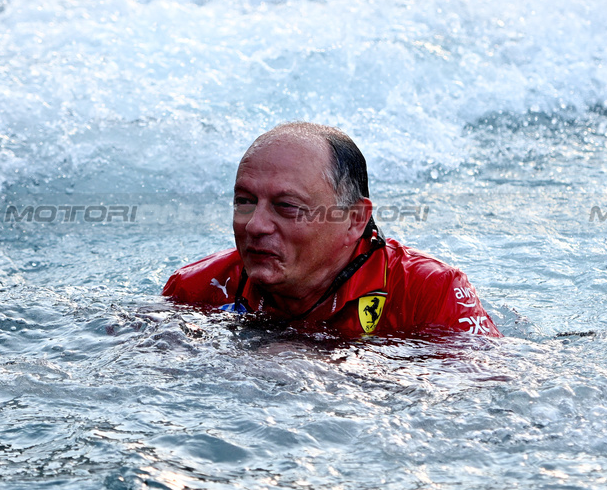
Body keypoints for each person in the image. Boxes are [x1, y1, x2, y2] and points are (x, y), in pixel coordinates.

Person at [162, 122, 501, 338]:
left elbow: (491, 398)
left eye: (287, 206)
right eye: (245, 201)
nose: (255, 225)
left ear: (354, 219)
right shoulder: (195, 290)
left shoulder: (431, 291)